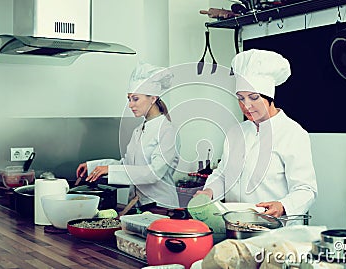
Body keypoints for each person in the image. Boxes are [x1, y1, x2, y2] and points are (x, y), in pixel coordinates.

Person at [196, 49, 318, 218]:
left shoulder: (292, 134)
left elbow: (306, 190)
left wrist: (283, 206)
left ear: (269, 98)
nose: (246, 105)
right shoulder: (236, 133)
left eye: (253, 97)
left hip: (273, 230)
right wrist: (209, 192)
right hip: (234, 225)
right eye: (241, 98)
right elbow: (222, 175)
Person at [76, 62, 180, 208]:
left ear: (153, 98)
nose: (130, 105)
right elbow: (127, 165)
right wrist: (94, 166)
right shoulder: (138, 130)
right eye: (129, 99)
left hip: (161, 207)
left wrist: (110, 170)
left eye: (135, 99)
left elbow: (153, 173)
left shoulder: (167, 131)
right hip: (136, 205)